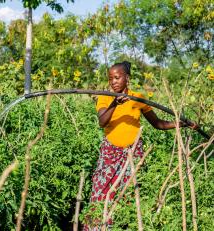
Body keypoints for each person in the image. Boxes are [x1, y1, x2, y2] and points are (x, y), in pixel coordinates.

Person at [83, 61, 198, 230]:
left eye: (117, 77)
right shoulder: (105, 97)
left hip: (132, 153)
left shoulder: (138, 98)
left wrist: (181, 123)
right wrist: (115, 104)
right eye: (110, 78)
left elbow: (158, 123)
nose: (113, 82)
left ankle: (121, 226)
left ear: (127, 78)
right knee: (101, 190)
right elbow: (102, 122)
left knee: (127, 194)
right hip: (110, 153)